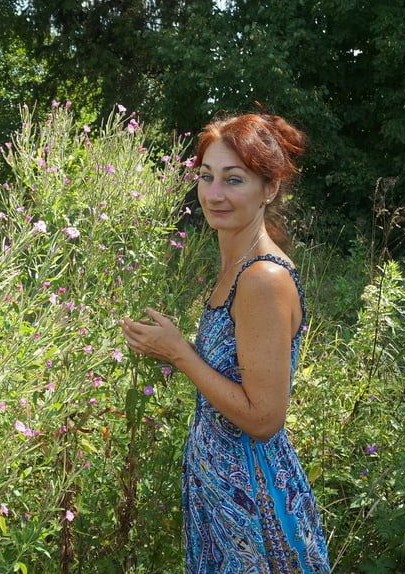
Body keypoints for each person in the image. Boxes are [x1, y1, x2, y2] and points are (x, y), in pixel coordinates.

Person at [119, 112, 330, 572]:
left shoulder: (262, 279)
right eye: (207, 176)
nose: (214, 194)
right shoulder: (236, 267)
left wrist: (178, 352)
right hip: (222, 503)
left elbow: (264, 418)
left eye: (234, 180)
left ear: (269, 188)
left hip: (255, 510)